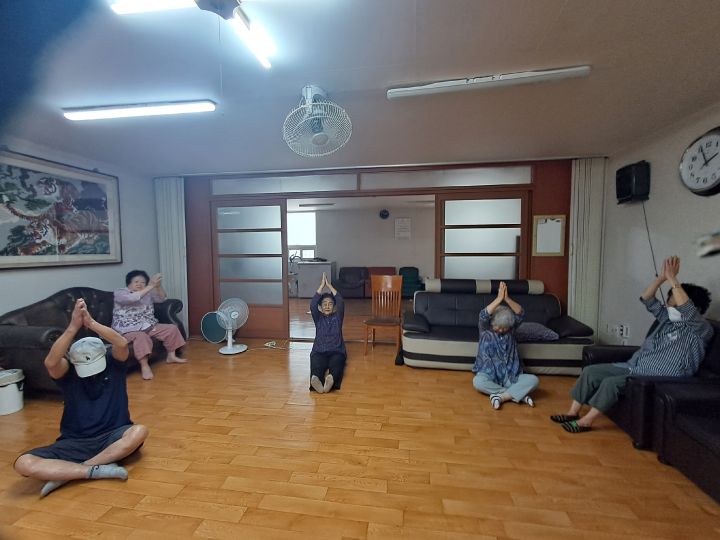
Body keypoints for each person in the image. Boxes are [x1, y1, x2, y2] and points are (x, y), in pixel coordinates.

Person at [552, 256, 713, 433]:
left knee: (611, 383)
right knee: (591, 372)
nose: (669, 307)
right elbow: (647, 298)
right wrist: (662, 278)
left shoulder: (701, 329)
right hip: (634, 366)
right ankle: (572, 413)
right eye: (669, 303)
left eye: (673, 304)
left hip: (661, 376)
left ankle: (586, 421)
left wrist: (673, 279)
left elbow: (687, 310)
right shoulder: (667, 319)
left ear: (695, 308)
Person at [14, 299, 148, 497]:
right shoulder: (67, 372)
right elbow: (51, 362)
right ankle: (92, 471)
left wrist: (91, 323)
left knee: (139, 431)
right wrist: (72, 327)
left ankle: (74, 471)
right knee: (23, 463)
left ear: (104, 355)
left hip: (112, 436)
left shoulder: (115, 364)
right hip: (74, 441)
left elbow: (120, 342)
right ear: (72, 361)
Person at [472, 281, 539, 409]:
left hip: (510, 377)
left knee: (534, 380)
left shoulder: (511, 331)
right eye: (498, 327)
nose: (501, 330)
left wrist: (507, 299)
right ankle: (517, 395)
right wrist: (499, 298)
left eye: (504, 328)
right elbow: (483, 315)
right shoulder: (485, 329)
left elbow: (521, 313)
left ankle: (500, 397)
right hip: (488, 375)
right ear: (492, 323)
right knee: (477, 382)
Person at [112, 270, 186, 380]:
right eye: (136, 281)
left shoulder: (147, 294)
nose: (139, 284)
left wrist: (158, 286)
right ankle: (144, 366)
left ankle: (171, 356)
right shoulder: (120, 293)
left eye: (143, 282)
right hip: (128, 329)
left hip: (148, 325)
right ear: (129, 283)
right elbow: (133, 298)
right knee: (141, 337)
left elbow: (162, 298)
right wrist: (150, 286)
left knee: (171, 329)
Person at [309, 272, 346, 393]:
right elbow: (313, 305)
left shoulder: (338, 317)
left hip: (336, 351)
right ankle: (316, 380)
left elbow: (340, 301)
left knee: (337, 363)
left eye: (330, 304)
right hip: (319, 351)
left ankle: (331, 378)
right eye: (324, 304)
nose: (327, 306)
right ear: (320, 307)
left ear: (334, 307)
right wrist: (321, 286)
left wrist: (329, 285)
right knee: (316, 364)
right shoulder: (318, 318)